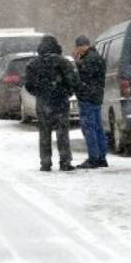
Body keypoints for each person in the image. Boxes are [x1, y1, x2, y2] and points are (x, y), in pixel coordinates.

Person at [24, 35, 80, 172]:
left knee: (44, 132)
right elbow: (74, 81)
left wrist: (39, 93)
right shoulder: (64, 62)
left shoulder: (33, 64)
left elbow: (28, 85)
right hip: (60, 101)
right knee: (62, 133)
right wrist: (66, 92)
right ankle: (65, 161)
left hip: (43, 102)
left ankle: (45, 162)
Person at [72, 35, 108, 169]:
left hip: (87, 97)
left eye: (77, 47)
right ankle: (102, 157)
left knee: (89, 128)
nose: (76, 50)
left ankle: (94, 158)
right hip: (97, 97)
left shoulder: (88, 59)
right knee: (98, 128)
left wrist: (77, 62)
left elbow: (85, 77)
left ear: (82, 46)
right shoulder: (97, 57)